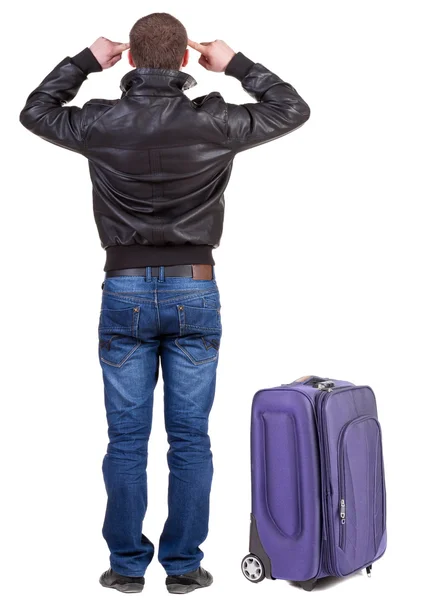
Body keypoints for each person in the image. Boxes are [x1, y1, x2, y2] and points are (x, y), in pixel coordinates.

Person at [19, 12, 310, 595]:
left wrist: (82, 61)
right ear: (185, 62)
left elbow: (36, 112)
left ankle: (127, 569)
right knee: (191, 439)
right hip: (194, 288)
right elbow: (291, 108)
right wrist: (235, 65)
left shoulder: (103, 121)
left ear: (127, 61)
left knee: (126, 440)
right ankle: (183, 569)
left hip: (122, 291)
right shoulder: (216, 122)